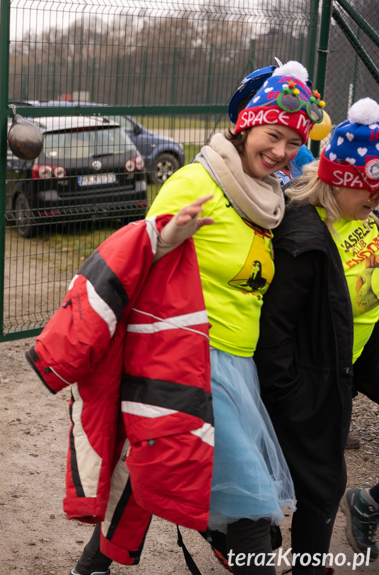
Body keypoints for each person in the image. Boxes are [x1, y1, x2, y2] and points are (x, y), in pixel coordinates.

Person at [58, 61, 318, 575]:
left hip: (239, 367)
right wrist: (163, 241)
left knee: (153, 472)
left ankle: (90, 568)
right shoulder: (198, 181)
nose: (282, 152)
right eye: (273, 135)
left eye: (293, 142)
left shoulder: (268, 197)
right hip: (189, 362)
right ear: (246, 125)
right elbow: (134, 257)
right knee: (246, 500)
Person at [254, 98, 379, 574]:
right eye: (371, 191)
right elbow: (275, 334)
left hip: (356, 361)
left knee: (322, 484)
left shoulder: (362, 217)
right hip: (314, 382)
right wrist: (296, 399)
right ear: (342, 181)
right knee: (321, 485)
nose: (377, 202)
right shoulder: (302, 237)